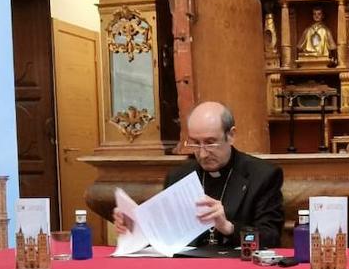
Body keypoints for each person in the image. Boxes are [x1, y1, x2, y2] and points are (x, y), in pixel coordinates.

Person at [113, 101, 285, 249]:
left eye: (210, 143)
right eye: (195, 144)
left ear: (231, 135)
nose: (202, 154)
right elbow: (164, 236)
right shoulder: (178, 176)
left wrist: (229, 228)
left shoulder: (263, 176)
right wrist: (134, 228)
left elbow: (271, 238)